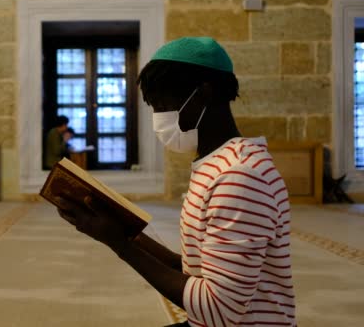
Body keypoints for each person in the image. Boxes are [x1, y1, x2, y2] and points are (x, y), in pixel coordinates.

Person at [56, 37, 295, 326]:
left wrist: (118, 243)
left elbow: (218, 309)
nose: (159, 118)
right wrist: (122, 230)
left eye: (163, 106)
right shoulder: (217, 164)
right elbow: (195, 271)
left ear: (204, 93)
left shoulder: (240, 176)